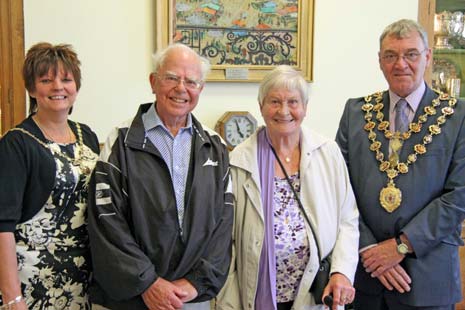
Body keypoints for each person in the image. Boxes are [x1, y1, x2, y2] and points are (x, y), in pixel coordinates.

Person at [87, 43, 234, 310]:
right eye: (171, 78)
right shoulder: (119, 141)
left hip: (191, 298)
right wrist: (147, 283)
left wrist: (196, 283)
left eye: (191, 81)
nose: (181, 88)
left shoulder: (215, 146)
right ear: (153, 82)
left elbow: (224, 224)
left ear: (200, 89)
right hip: (131, 297)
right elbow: (106, 220)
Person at [336, 19, 465, 310]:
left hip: (427, 277)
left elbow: (459, 196)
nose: (401, 64)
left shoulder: (458, 117)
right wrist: (370, 248)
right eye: (391, 55)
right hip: (365, 276)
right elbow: (339, 190)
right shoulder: (355, 113)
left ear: (428, 57)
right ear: (380, 61)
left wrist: (401, 246)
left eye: (411, 54)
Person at [215, 65, 359, 310]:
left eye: (293, 102)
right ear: (261, 107)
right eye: (274, 101)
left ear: (305, 108)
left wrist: (342, 272)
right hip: (254, 295)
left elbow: (348, 219)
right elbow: (225, 241)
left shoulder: (327, 152)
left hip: (315, 293)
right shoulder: (239, 160)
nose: (284, 111)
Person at [0, 42, 100, 309]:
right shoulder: (16, 144)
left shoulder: (86, 136)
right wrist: (12, 297)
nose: (58, 87)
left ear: (76, 87)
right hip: (32, 280)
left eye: (66, 80)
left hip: (82, 277)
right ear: (32, 89)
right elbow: (2, 226)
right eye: (46, 80)